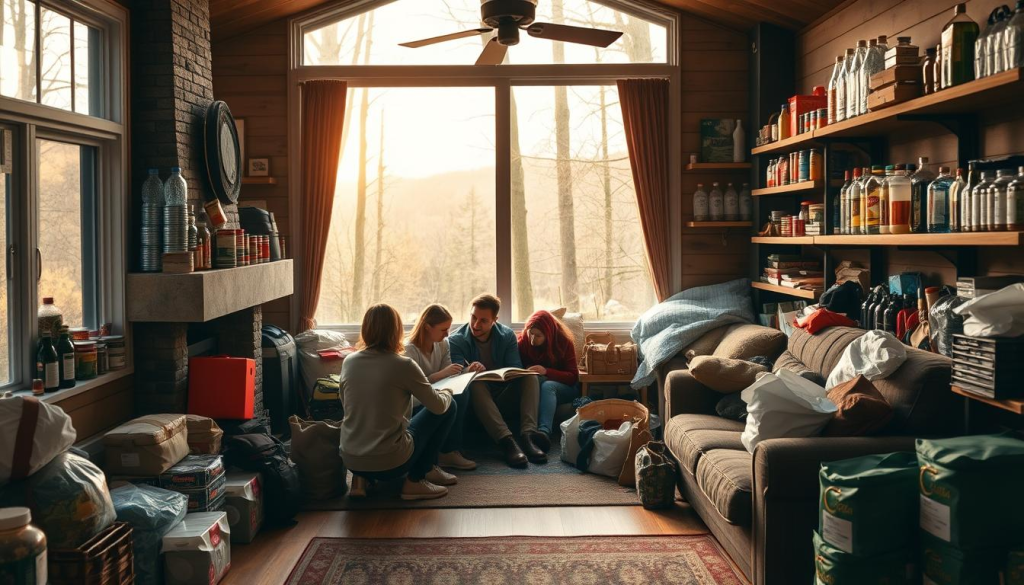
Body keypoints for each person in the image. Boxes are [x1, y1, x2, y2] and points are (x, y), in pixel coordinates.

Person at [339, 304, 459, 501]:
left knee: (365, 417)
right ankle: (417, 479)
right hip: (390, 462)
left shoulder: (349, 361)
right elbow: (437, 406)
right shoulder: (403, 364)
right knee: (449, 406)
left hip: (350, 458)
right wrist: (447, 390)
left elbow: (346, 404)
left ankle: (360, 480)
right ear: (397, 330)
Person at [448, 293, 546, 468]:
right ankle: (507, 441)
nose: (476, 324)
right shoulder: (456, 340)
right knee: (475, 382)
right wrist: (467, 370)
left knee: (530, 377)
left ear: (495, 319)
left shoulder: (507, 335)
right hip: (476, 401)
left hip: (501, 393)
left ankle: (528, 436)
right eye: (473, 317)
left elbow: (515, 368)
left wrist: (505, 375)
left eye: (483, 320)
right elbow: (453, 374)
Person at [405, 303, 477, 471]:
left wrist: (466, 371)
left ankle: (450, 451)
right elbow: (413, 388)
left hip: (437, 391)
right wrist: (439, 375)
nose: (447, 334)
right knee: (448, 401)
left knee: (462, 393)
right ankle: (445, 452)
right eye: (443, 329)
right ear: (428, 327)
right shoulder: (409, 350)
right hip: (417, 399)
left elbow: (449, 373)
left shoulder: (443, 343)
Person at [517, 310, 580, 450]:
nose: (533, 339)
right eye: (531, 333)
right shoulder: (523, 342)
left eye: (538, 335)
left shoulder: (564, 342)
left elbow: (573, 377)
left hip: (565, 388)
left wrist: (547, 371)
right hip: (537, 386)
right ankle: (528, 432)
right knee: (535, 381)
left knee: (547, 385)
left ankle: (544, 432)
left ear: (549, 334)